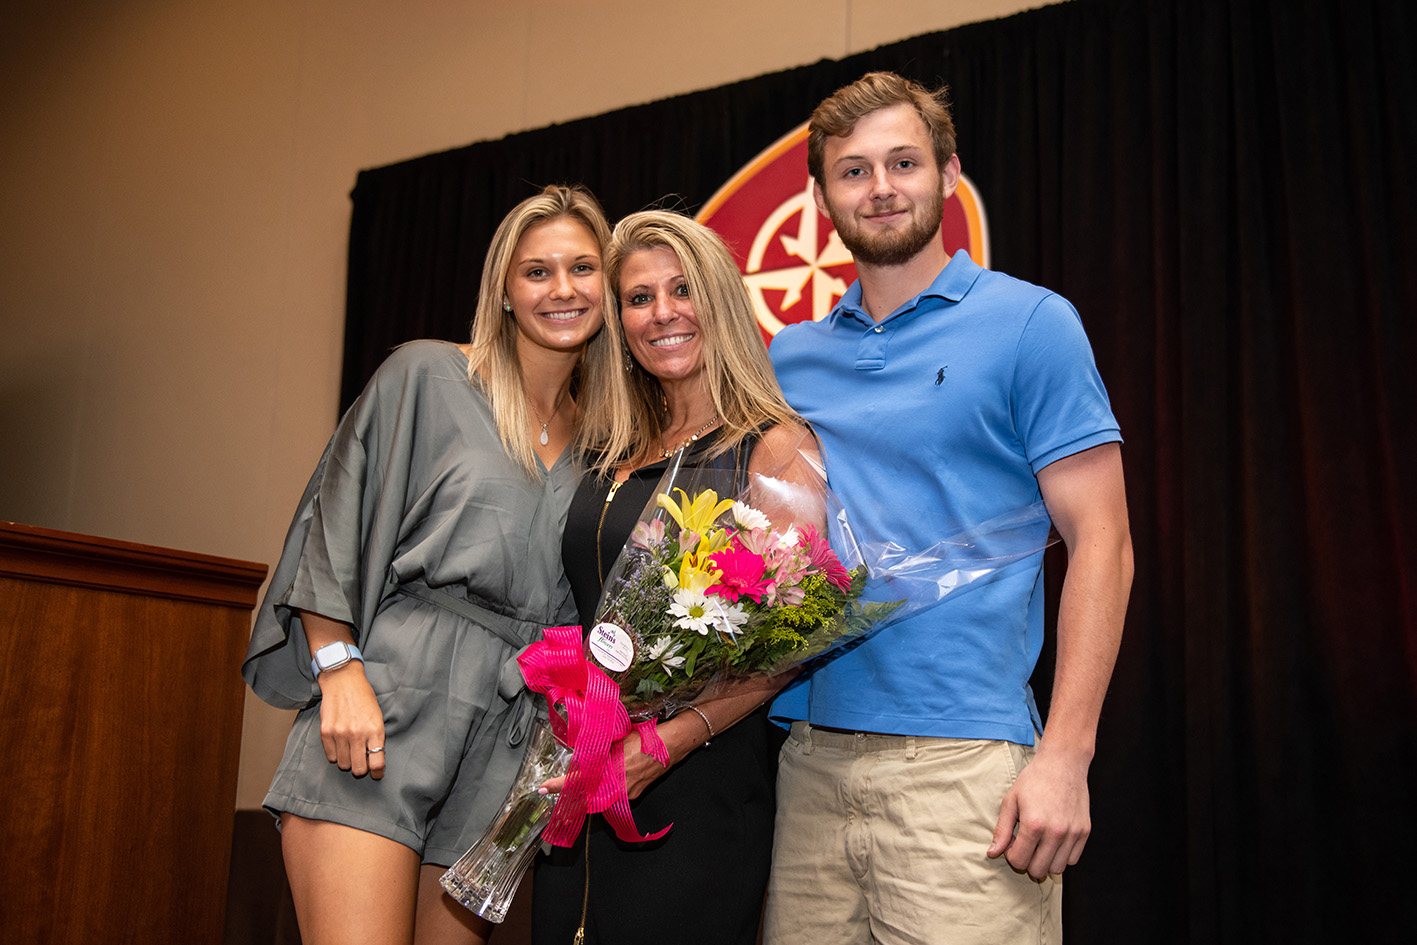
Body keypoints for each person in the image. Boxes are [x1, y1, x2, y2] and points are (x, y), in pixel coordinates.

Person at [763, 72, 1135, 944]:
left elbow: (1103, 543)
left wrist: (1067, 754)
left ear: (948, 175)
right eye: (852, 171)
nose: (880, 186)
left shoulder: (1030, 324)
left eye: (903, 162)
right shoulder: (788, 359)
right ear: (820, 197)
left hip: (967, 770)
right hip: (807, 763)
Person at [242, 183, 617, 945]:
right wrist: (338, 668)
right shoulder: (427, 376)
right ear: (504, 291)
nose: (562, 289)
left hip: (507, 743)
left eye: (582, 268)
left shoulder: (607, 442)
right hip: (389, 709)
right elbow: (334, 515)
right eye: (536, 271)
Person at [531, 210, 818, 945]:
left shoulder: (773, 445)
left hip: (697, 788)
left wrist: (668, 742)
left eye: (681, 288)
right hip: (579, 766)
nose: (661, 312)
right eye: (637, 296)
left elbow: (789, 643)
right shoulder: (608, 451)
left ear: (718, 299)